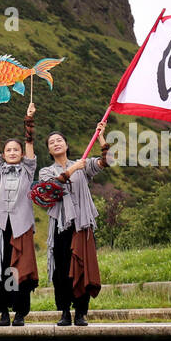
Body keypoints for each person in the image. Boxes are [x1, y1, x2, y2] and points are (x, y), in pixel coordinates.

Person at [37, 124, 111, 326]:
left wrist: (101, 138)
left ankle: (81, 312)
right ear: (49, 150)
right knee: (61, 270)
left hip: (81, 224)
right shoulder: (46, 171)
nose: (56, 143)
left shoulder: (82, 164)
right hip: (61, 226)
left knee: (81, 267)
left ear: (66, 145)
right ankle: (64, 312)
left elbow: (107, 161)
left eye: (59, 140)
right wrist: (72, 170)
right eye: (51, 142)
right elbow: (51, 189)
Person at [0, 102, 40, 326]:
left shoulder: (28, 169)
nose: (12, 152)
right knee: (3, 267)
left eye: (16, 150)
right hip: (0, 226)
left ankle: (19, 311)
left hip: (20, 227)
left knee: (19, 269)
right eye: (8, 150)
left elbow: (29, 142)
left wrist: (29, 119)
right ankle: (4, 311)